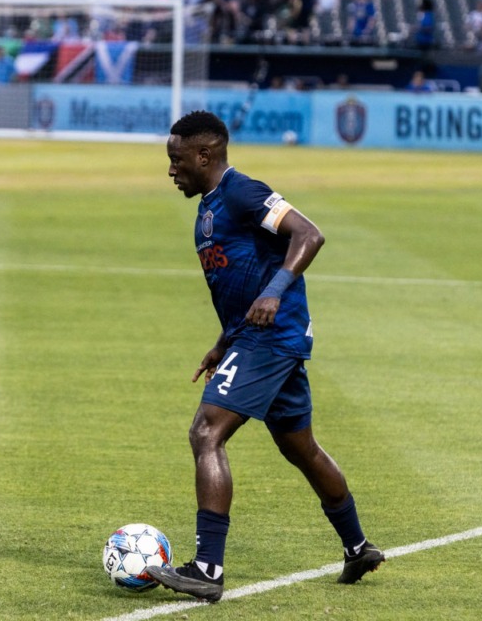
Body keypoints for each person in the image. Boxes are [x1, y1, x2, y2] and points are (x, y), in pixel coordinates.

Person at [145, 111, 384, 602]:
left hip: (273, 338)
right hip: (258, 338)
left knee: (206, 431)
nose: (171, 170)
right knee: (301, 448)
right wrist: (224, 340)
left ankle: (207, 570)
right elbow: (241, 283)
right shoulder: (209, 207)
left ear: (204, 155)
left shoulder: (241, 191)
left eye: (176, 160)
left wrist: (275, 293)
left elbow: (308, 234)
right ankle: (358, 547)